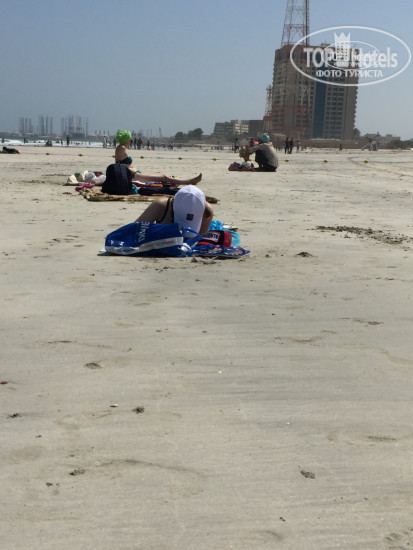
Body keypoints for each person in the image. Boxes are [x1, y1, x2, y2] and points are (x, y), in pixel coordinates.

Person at [114, 129, 202, 186]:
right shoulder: (122, 148)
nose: (131, 141)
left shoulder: (120, 148)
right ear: (126, 139)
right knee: (164, 177)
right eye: (130, 139)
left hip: (133, 175)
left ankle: (187, 181)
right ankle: (188, 181)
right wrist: (133, 169)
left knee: (162, 176)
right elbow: (120, 166)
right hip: (132, 176)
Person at [135, 185, 213, 237]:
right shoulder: (161, 206)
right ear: (172, 207)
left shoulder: (207, 211)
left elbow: (199, 238)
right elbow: (134, 230)